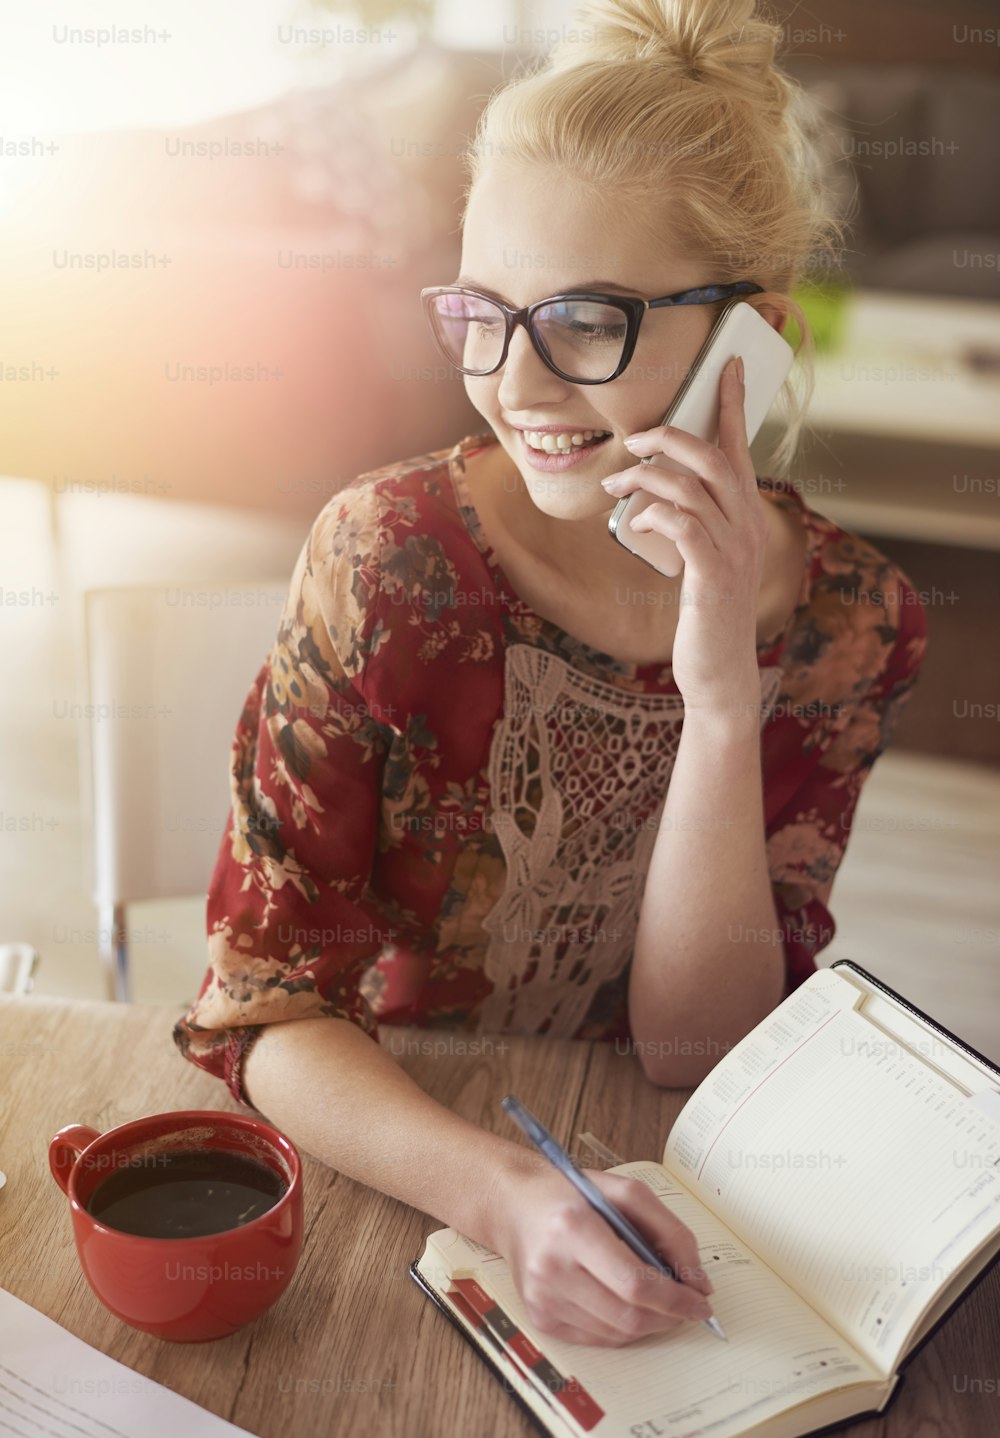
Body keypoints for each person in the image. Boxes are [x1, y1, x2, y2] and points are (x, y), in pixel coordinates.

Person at [172, 0, 927, 1348]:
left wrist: (720, 699)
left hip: (661, 1185)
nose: (514, 382)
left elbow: (697, 1057)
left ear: (749, 334)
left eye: (582, 320)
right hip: (396, 1158)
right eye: (482, 312)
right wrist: (503, 1195)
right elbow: (259, 1005)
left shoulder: (853, 619)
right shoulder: (387, 565)